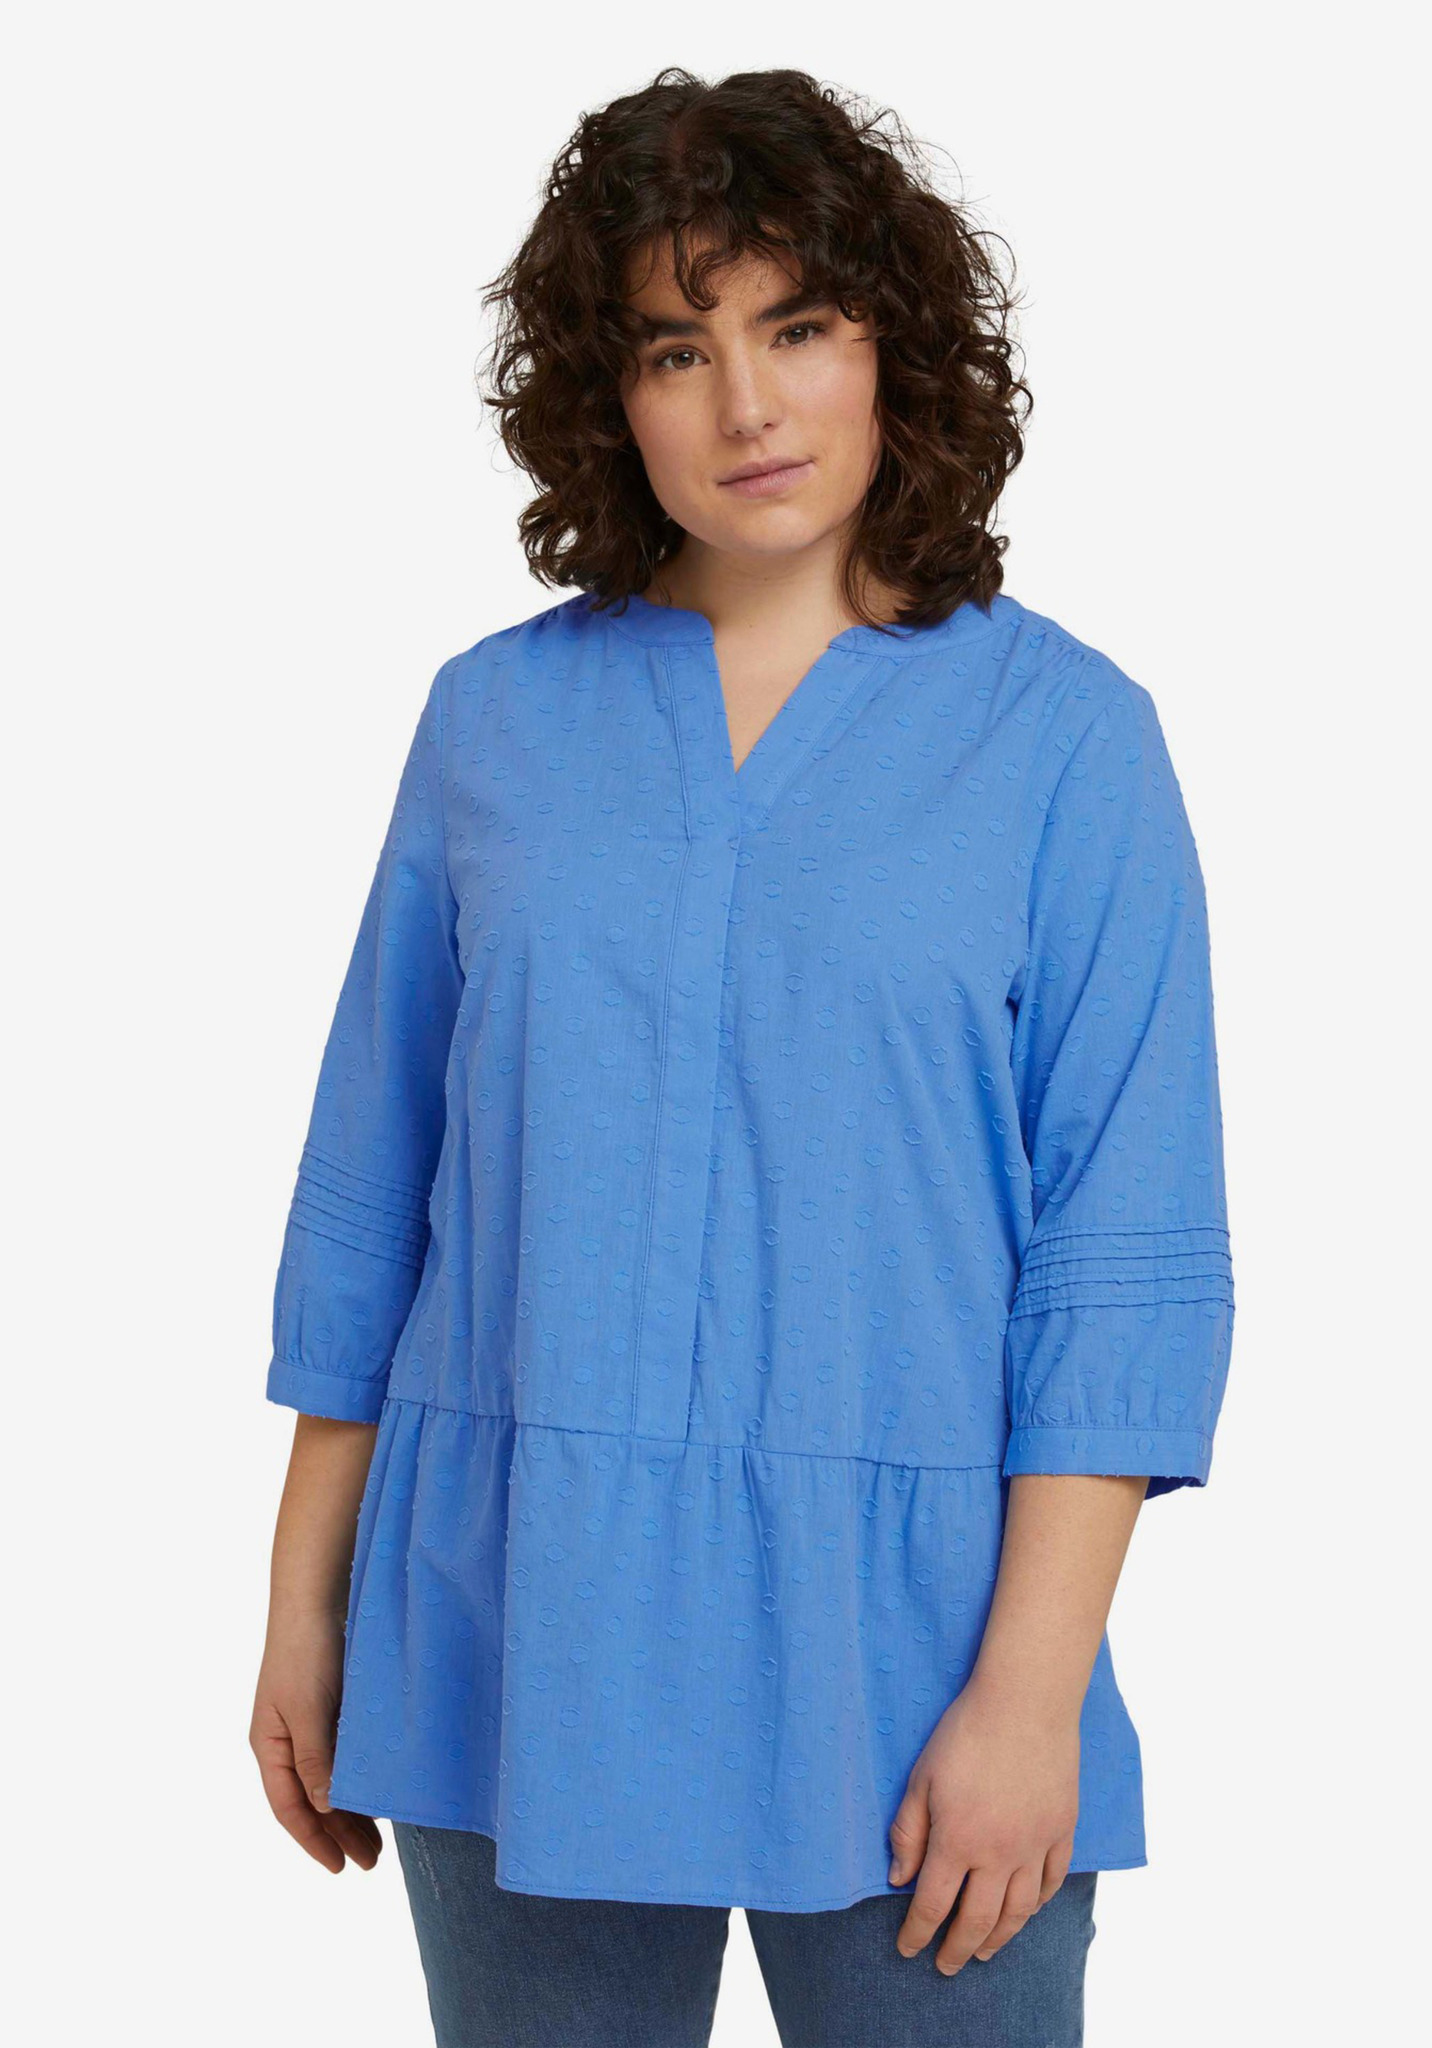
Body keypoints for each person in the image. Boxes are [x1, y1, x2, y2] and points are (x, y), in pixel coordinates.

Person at [250, 65, 1236, 2048]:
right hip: (514, 1612)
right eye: (676, 350)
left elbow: (1122, 1252)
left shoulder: (1067, 743)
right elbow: (375, 1188)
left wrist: (1031, 1694)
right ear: (609, 397)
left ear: (896, 348)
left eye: (798, 327)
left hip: (920, 1644)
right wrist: (303, 1600)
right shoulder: (492, 728)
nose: (748, 408)